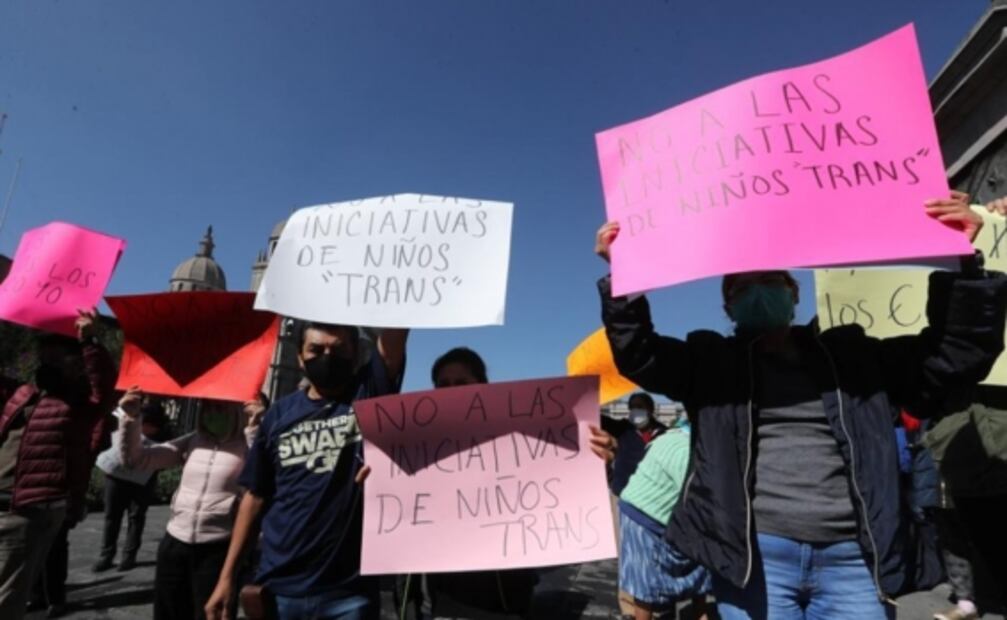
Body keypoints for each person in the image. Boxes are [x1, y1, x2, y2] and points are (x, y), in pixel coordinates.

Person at [594, 191, 1007, 619]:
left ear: (793, 293)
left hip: (854, 561)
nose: (757, 293)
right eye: (742, 288)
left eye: (769, 282)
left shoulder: (855, 358)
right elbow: (639, 352)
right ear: (728, 306)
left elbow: (953, 357)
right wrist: (624, 272)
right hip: (756, 560)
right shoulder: (710, 365)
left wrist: (964, 266)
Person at [205, 323, 408, 620]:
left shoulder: (368, 395)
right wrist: (227, 577)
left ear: (355, 356)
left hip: (348, 593)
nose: (327, 356)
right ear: (299, 357)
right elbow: (255, 496)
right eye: (316, 350)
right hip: (278, 588)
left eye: (339, 349)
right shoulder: (278, 415)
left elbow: (393, 342)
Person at [394, 347, 538, 620]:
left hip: (502, 599)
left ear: (483, 386)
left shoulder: (517, 438)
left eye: (462, 383)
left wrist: (597, 460)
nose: (452, 391)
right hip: (442, 599)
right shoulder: (416, 446)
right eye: (443, 385)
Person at [0, 309, 116, 620]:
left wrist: (91, 341)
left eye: (58, 352)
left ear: (75, 362)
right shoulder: (24, 393)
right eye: (44, 349)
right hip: (4, 500)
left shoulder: (78, 403)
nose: (47, 356)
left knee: (6, 597)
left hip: (27, 510)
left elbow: (103, 391)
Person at [117, 389, 265, 620]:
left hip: (217, 549)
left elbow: (262, 477)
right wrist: (131, 419)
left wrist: (255, 429)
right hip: (175, 543)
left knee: (210, 614)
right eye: (208, 407)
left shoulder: (246, 445)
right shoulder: (193, 440)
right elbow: (137, 460)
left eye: (221, 407)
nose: (213, 413)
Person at [615, 418, 711, 620]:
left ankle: (698, 614)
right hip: (643, 517)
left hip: (672, 515)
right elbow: (700, 496)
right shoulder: (683, 449)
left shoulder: (678, 437)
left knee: (701, 573)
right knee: (646, 588)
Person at [93, 400, 167, 573]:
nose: (144, 428)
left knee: (136, 516)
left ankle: (128, 556)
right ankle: (107, 555)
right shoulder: (127, 415)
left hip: (143, 478)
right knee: (112, 515)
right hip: (117, 474)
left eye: (147, 425)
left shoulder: (163, 433)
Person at [604, 392, 667, 498]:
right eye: (632, 407)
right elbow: (598, 419)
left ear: (650, 409)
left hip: (652, 497)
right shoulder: (623, 428)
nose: (635, 410)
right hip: (623, 493)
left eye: (639, 406)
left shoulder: (665, 433)